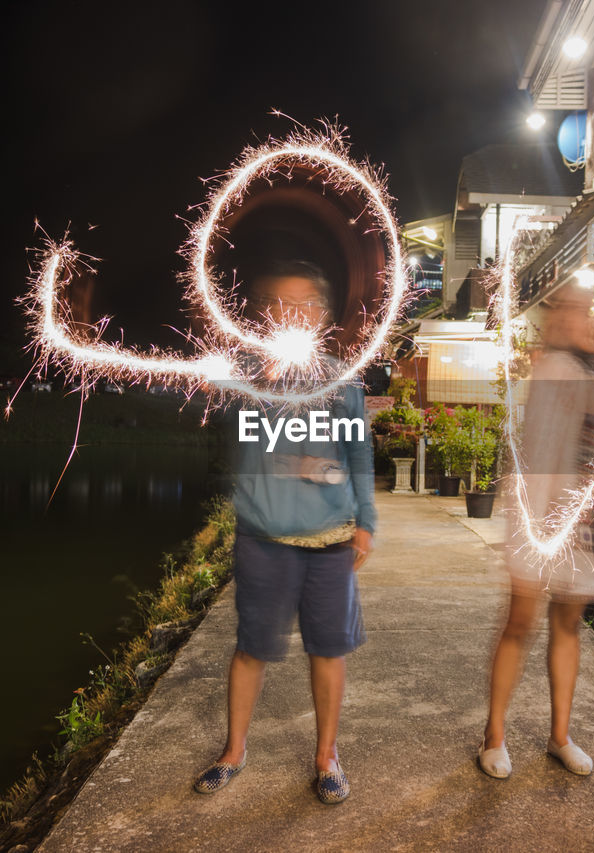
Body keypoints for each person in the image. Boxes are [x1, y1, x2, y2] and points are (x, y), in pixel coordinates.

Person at [193, 259, 376, 805]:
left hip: (329, 539)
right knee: (252, 648)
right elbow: (216, 414)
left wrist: (365, 519)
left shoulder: (342, 378)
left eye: (302, 304)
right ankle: (233, 751)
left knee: (328, 650)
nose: (289, 314)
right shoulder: (244, 372)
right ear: (260, 314)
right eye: (277, 304)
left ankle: (327, 758)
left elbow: (357, 451)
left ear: (321, 316)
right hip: (262, 537)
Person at [479, 279, 594, 780]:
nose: (572, 318)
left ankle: (559, 736)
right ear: (550, 318)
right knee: (519, 625)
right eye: (562, 310)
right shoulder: (549, 370)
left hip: (587, 526)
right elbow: (530, 455)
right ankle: (494, 737)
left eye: (581, 310)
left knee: (568, 626)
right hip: (540, 523)